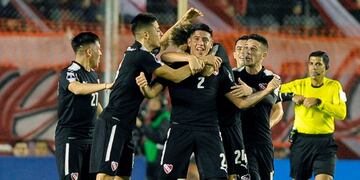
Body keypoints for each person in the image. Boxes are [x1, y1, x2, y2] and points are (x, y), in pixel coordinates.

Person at [136, 23, 281, 180]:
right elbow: (152, 89)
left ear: (211, 44)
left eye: (205, 40)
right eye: (196, 39)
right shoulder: (174, 66)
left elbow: (241, 103)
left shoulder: (221, 70)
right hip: (180, 129)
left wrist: (266, 91)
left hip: (209, 131)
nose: (201, 43)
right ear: (188, 43)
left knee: (219, 177)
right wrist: (144, 87)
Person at [89, 9, 204, 180]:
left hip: (126, 126)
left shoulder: (140, 51)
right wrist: (199, 61)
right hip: (114, 122)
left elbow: (163, 43)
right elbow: (174, 76)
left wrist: (183, 21)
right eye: (157, 29)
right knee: (105, 176)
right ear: (146, 35)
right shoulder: (140, 56)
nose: (161, 32)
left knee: (123, 176)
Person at [279, 51, 347, 180]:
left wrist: (319, 102)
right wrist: (292, 96)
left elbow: (341, 113)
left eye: (318, 64)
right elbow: (273, 91)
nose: (314, 67)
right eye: (311, 63)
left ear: (326, 67)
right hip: (301, 142)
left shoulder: (334, 86)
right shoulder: (298, 85)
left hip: (325, 143)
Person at [55, 32, 112, 180]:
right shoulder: (68, 73)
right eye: (98, 49)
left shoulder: (93, 75)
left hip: (92, 139)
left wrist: (109, 120)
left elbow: (94, 103)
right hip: (71, 138)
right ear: (89, 51)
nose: (100, 53)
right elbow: (77, 88)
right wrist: (106, 85)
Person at [236, 33, 284, 180]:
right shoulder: (233, 75)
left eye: (253, 49)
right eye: (245, 48)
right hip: (240, 140)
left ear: (263, 54)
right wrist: (264, 90)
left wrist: (251, 91)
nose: (247, 52)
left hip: (263, 141)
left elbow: (272, 102)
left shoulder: (271, 78)